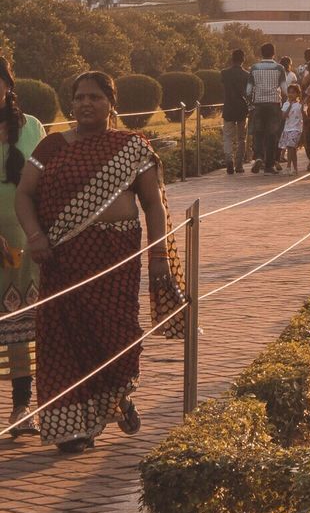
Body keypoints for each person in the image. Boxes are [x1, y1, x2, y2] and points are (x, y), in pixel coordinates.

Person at [15, 72, 183, 454]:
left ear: (111, 103)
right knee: (63, 340)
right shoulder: (51, 146)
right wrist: (36, 236)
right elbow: (24, 194)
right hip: (60, 260)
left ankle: (116, 398)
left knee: (115, 335)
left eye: (94, 97)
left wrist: (159, 256)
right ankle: (72, 428)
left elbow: (153, 204)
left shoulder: (131, 147)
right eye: (79, 98)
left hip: (114, 260)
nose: (85, 104)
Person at [0, 56, 45, 436]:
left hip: (26, 239)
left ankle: (21, 407)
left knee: (23, 321)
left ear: (8, 85)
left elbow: (49, 181)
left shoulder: (32, 128)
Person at [247, 43, 289, 173]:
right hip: (274, 103)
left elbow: (248, 90)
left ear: (261, 53)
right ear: (273, 53)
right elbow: (284, 89)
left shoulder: (254, 68)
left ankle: (259, 156)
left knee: (258, 132)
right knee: (272, 134)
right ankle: (269, 165)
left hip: (258, 103)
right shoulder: (279, 68)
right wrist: (285, 102)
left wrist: (251, 102)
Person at [219, 48, 249, 176]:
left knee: (227, 137)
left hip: (229, 108)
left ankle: (228, 160)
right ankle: (239, 164)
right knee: (241, 138)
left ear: (232, 59)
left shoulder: (224, 73)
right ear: (243, 60)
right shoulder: (246, 75)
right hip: (242, 108)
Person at [278, 83, 304, 173]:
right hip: (287, 129)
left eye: (293, 93)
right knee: (292, 149)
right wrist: (290, 105)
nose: (291, 94)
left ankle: (289, 167)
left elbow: (304, 116)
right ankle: (295, 168)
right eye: (289, 92)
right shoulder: (286, 104)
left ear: (297, 94)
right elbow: (284, 116)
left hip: (296, 129)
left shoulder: (300, 105)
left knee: (290, 147)